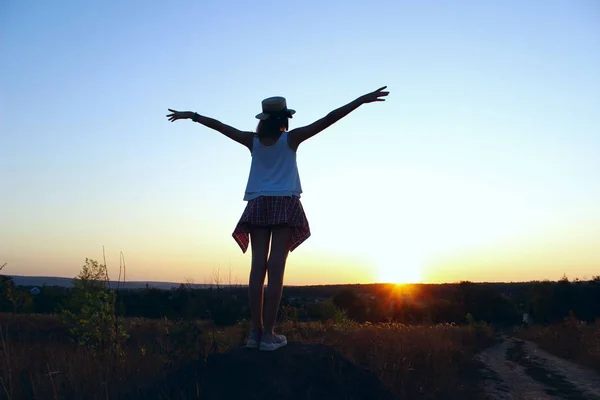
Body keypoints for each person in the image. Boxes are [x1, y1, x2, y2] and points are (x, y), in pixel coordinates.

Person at [166, 86, 389, 351]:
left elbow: (221, 127)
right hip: (284, 203)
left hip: (259, 203)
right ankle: (269, 335)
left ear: (262, 119)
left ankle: (254, 334)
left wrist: (192, 115)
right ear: (284, 119)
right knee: (276, 269)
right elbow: (329, 119)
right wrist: (360, 100)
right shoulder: (291, 140)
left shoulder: (253, 141)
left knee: (257, 268)